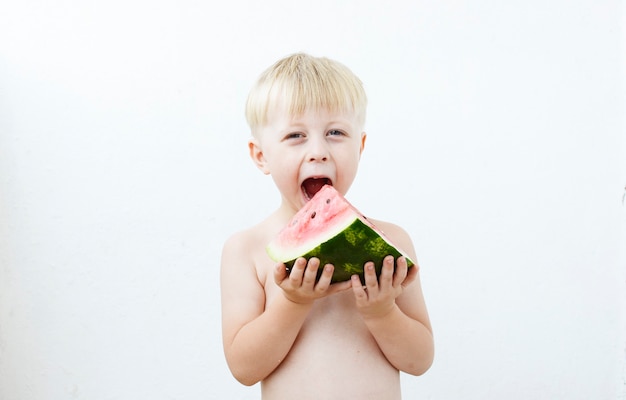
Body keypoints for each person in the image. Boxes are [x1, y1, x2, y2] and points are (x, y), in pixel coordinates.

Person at [220, 53, 434, 400]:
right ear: (260, 155)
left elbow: (420, 360)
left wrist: (382, 312)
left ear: (360, 146)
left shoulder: (392, 243)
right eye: (295, 135)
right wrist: (292, 302)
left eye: (335, 132)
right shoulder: (246, 250)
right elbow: (244, 369)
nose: (318, 151)